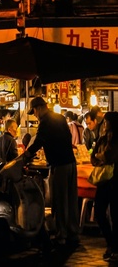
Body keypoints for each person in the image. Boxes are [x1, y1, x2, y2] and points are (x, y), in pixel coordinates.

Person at [23, 97, 79, 248]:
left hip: (59, 165)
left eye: (34, 111)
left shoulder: (46, 122)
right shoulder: (60, 118)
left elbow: (39, 141)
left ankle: (62, 236)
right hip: (71, 164)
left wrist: (26, 156)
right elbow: (67, 138)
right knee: (71, 200)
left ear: (39, 108)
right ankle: (73, 233)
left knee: (60, 201)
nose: (34, 115)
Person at [90, 111, 118, 261]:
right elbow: (93, 156)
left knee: (115, 215)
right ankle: (111, 243)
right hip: (103, 181)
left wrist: (102, 157)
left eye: (107, 122)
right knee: (99, 212)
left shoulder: (116, 138)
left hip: (115, 181)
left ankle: (114, 247)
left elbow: (109, 156)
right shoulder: (102, 138)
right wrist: (100, 158)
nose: (104, 124)